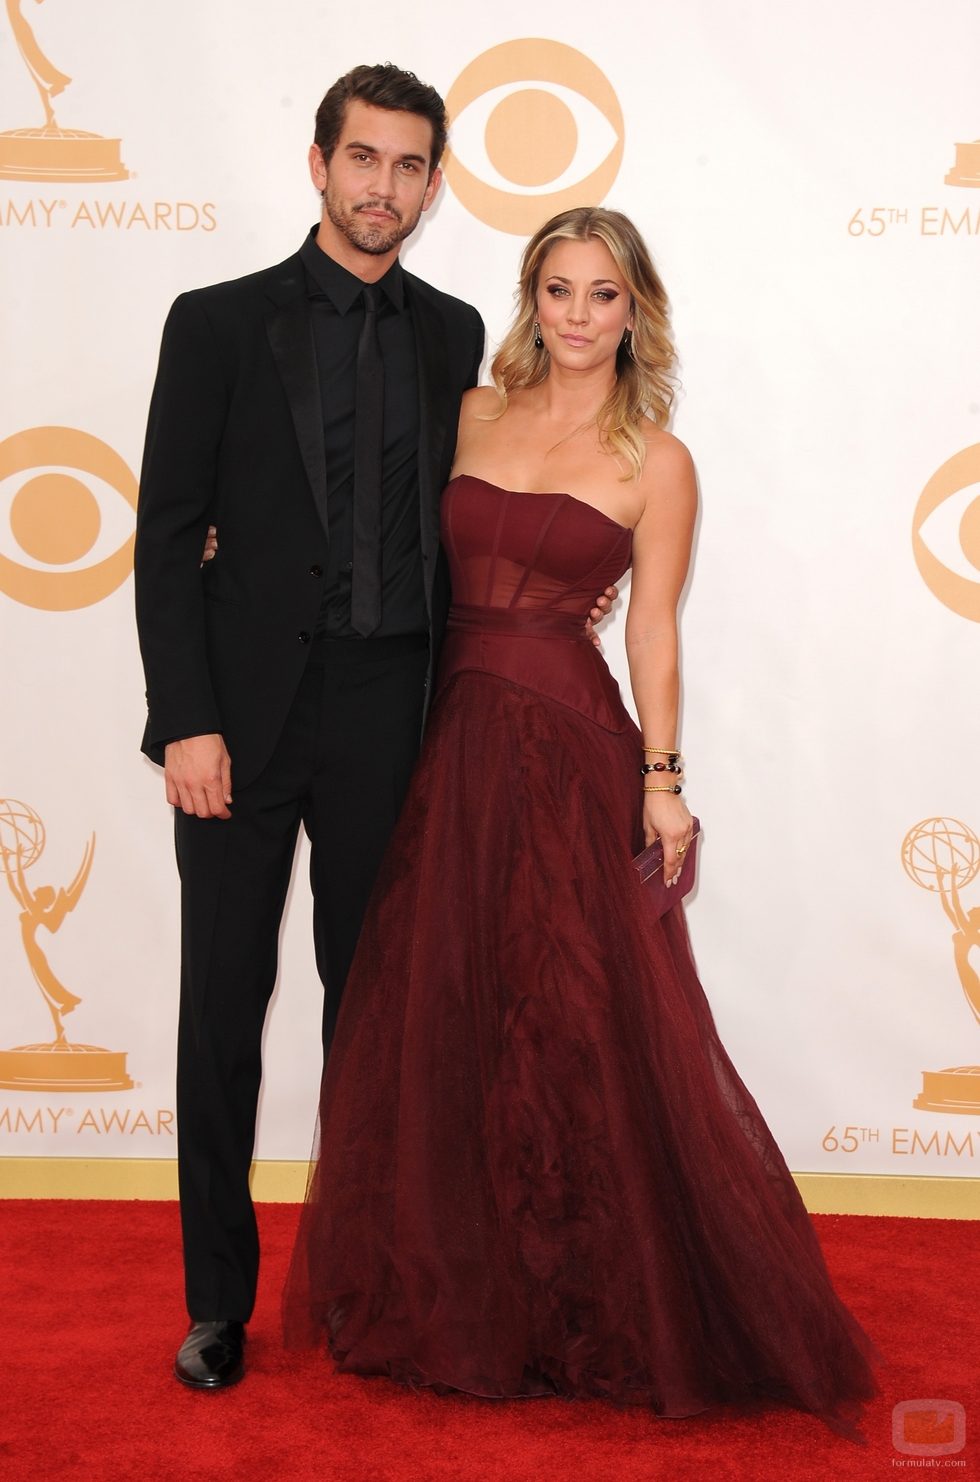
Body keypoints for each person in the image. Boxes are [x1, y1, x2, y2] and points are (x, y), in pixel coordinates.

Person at [282, 207, 880, 1435]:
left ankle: (585, 1299)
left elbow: (652, 627)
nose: (574, 314)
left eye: (600, 294)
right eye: (555, 289)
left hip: (567, 743)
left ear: (633, 310)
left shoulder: (654, 459)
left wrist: (661, 776)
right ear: (529, 298)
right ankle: (459, 1289)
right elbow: (380, 540)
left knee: (572, 1021)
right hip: (446, 744)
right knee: (445, 1007)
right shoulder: (471, 413)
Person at [135, 64, 614, 1392]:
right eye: (363, 160)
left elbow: (524, 471)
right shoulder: (219, 323)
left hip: (393, 714)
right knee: (223, 1007)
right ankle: (221, 1302)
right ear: (317, 164)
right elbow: (169, 538)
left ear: (435, 184)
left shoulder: (457, 334)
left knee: (384, 1017)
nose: (383, 188)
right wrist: (187, 721)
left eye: (410, 167)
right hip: (239, 721)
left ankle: (359, 1278)